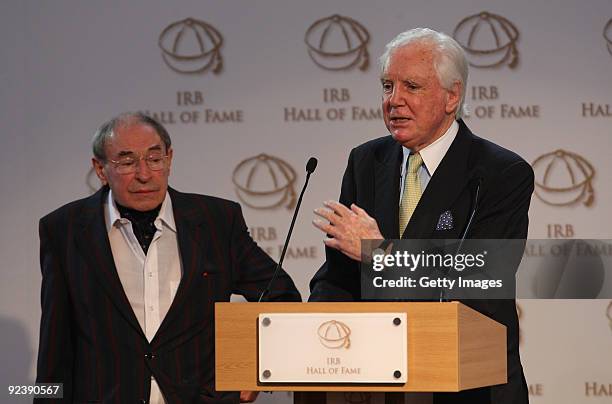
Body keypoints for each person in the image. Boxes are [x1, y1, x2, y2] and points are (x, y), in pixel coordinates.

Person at [310, 28, 533, 404]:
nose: (393, 100)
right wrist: (311, 335)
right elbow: (340, 275)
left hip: (468, 385)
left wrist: (380, 253)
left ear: (452, 96)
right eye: (387, 86)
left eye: (411, 86)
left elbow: (478, 282)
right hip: (380, 381)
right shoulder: (366, 161)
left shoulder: (499, 173)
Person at [35, 112, 301, 403]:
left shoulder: (217, 221)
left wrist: (252, 368)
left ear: (169, 159)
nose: (144, 174)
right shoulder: (65, 229)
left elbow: (281, 295)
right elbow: (54, 346)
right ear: (100, 169)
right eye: (126, 162)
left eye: (154, 158)